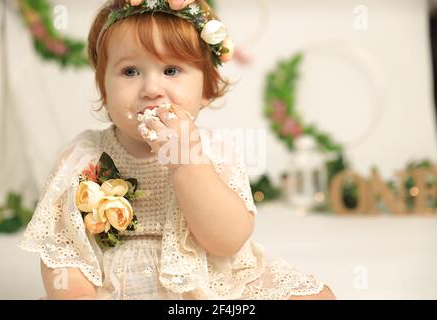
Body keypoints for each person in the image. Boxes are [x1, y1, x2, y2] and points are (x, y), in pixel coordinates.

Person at [19, 0, 335, 300]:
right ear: (104, 88)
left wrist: (186, 162)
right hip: (116, 285)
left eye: (171, 70)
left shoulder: (212, 151)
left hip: (209, 280)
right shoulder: (84, 155)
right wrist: (76, 293)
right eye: (130, 72)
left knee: (318, 296)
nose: (152, 89)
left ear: (207, 90)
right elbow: (62, 247)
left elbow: (227, 241)